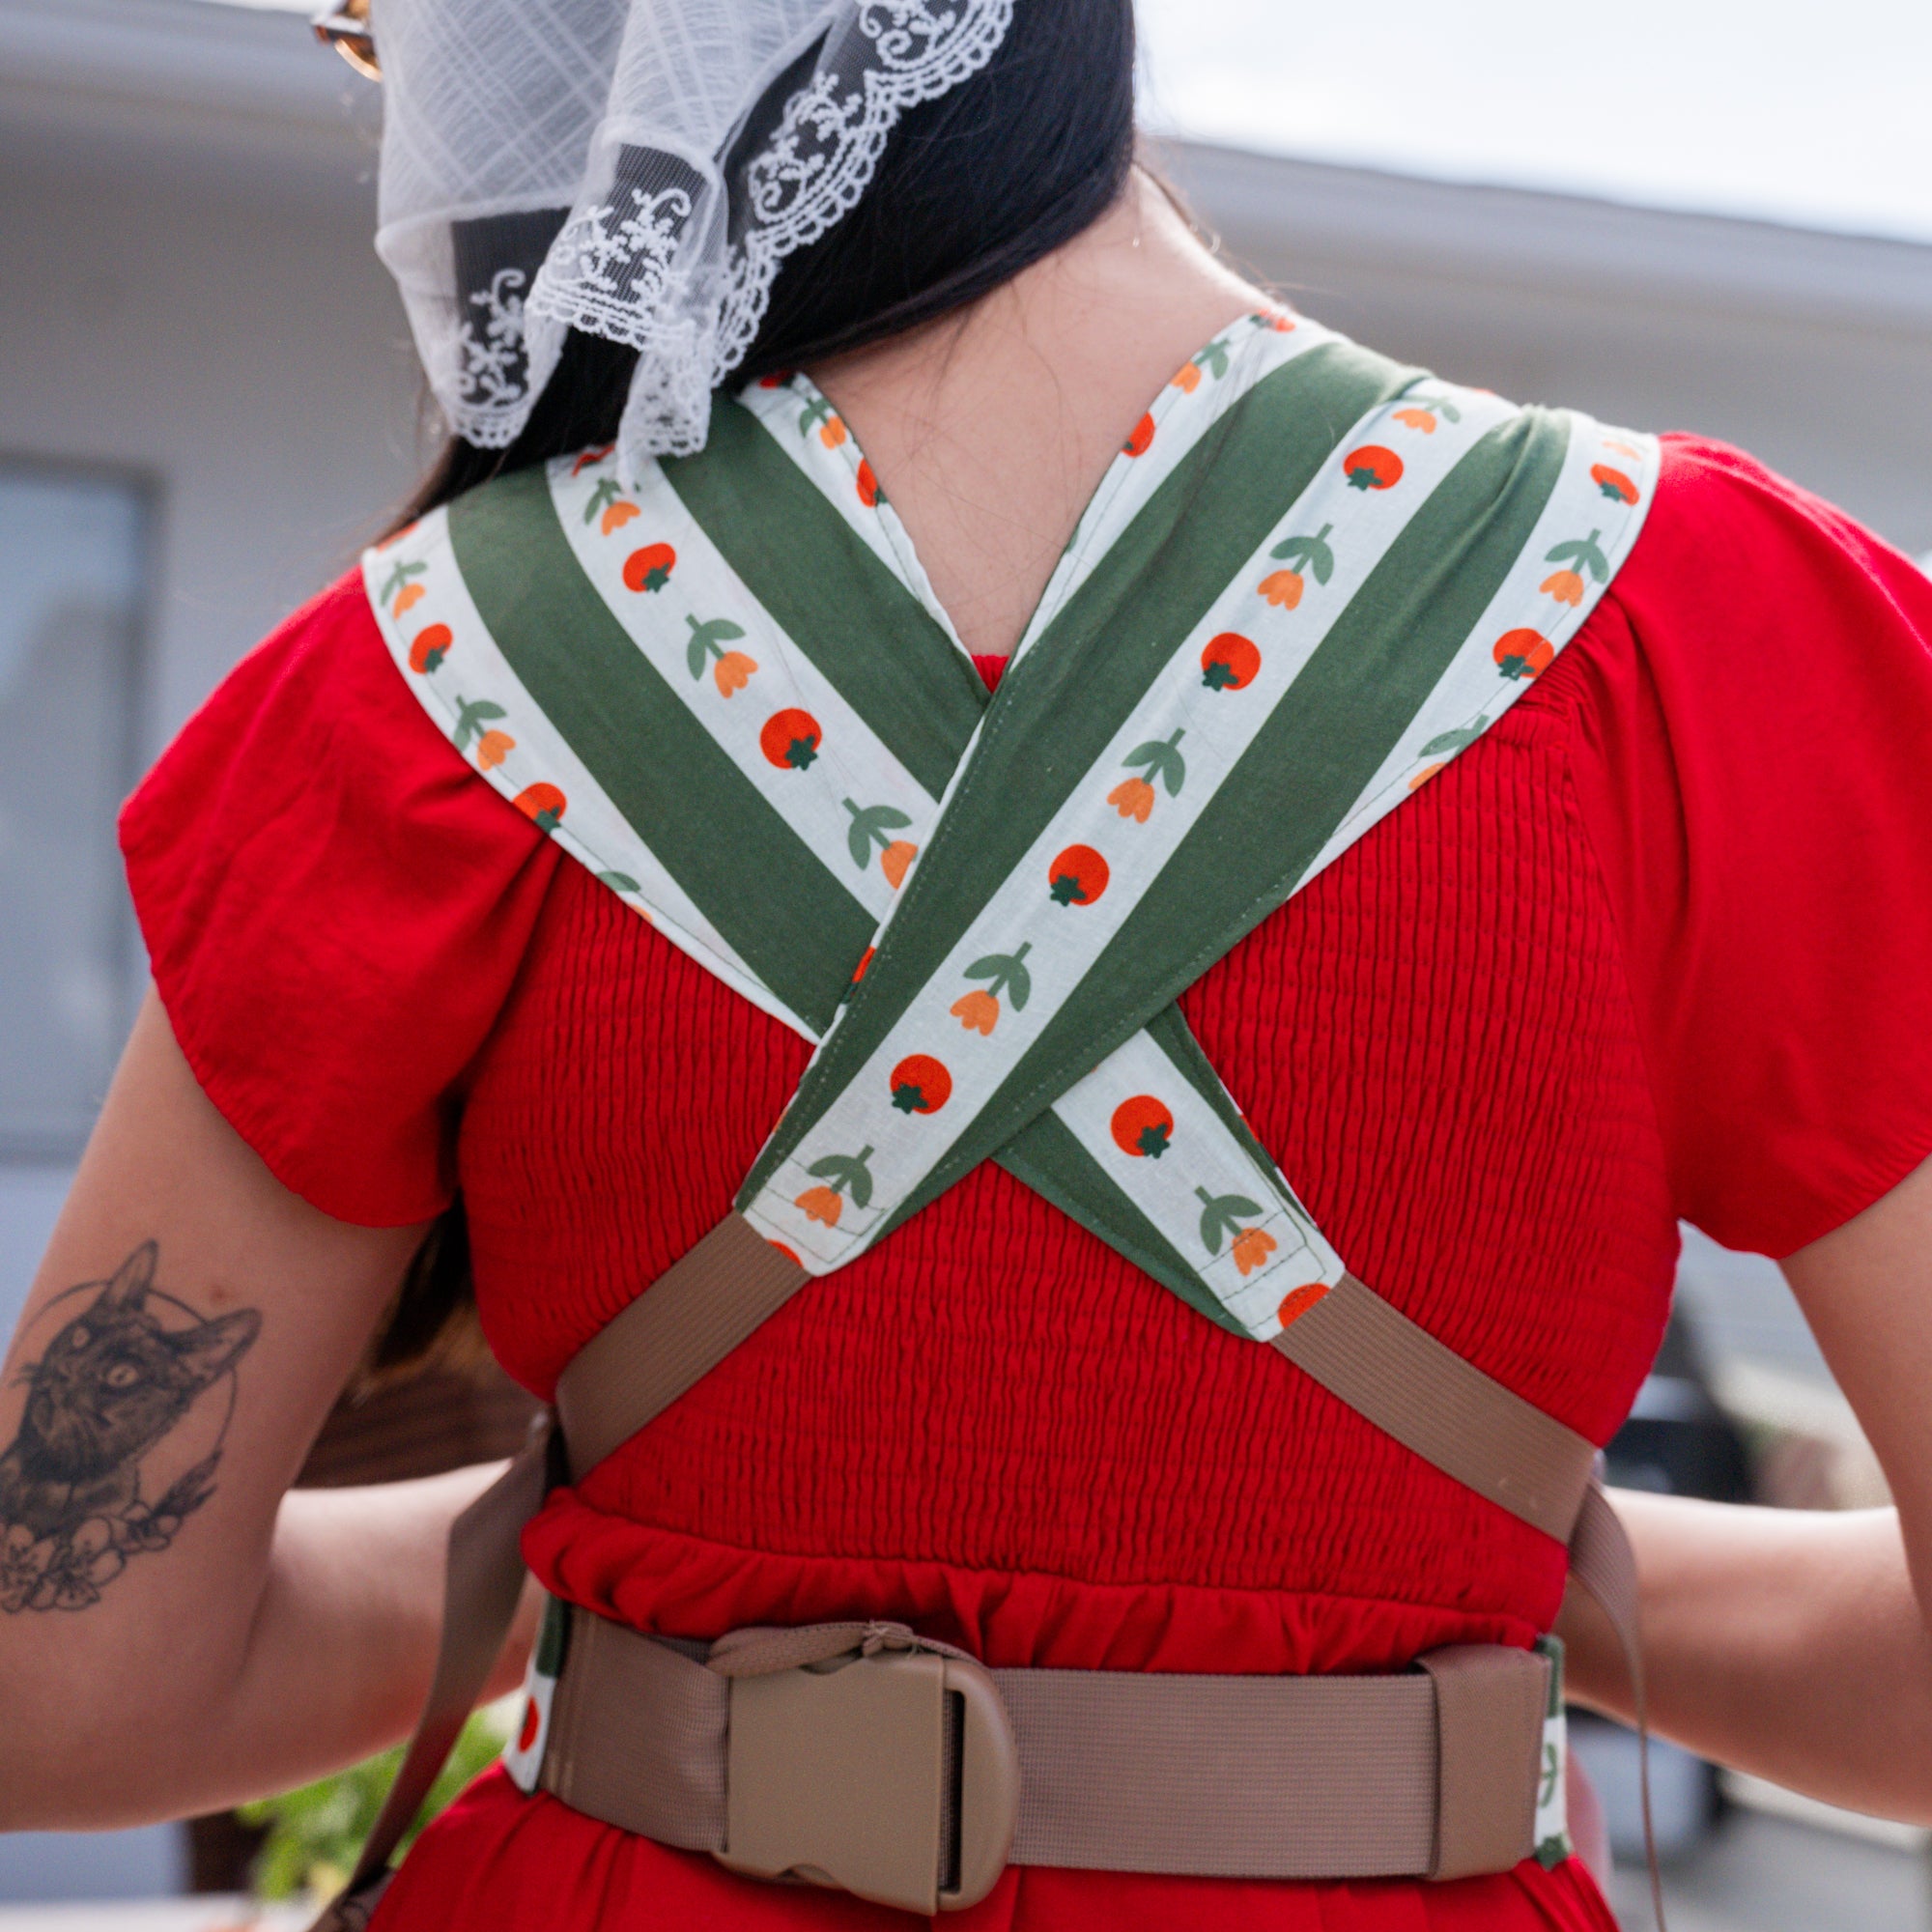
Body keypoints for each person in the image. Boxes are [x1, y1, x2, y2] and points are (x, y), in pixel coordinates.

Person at [5, 2, 1932, 1928]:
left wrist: (628, 1576)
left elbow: (58, 1676)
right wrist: (1494, 1569)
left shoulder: (431, 686)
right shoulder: (1705, 637)